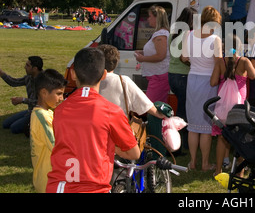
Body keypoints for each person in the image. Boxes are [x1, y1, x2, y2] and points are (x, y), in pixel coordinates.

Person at [46, 48, 140, 193]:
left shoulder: (59, 110)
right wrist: (110, 146)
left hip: (59, 187)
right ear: (103, 75)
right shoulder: (112, 111)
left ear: (73, 74)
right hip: (94, 188)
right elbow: (134, 153)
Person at [181, 6, 222, 171]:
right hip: (208, 81)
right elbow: (219, 63)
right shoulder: (215, 39)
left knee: (193, 125)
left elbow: (184, 57)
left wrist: (195, 61)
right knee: (206, 127)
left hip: (193, 79)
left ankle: (192, 162)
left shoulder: (188, 34)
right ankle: (205, 164)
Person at [210, 34, 255, 176]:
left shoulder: (220, 62)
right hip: (238, 106)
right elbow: (254, 76)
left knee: (221, 137)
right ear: (240, 47)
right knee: (241, 138)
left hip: (222, 106)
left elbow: (212, 82)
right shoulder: (243, 61)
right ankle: (239, 173)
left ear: (225, 47)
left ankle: (218, 171)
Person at [98, 44, 164, 119]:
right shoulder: (123, 81)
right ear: (116, 63)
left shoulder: (88, 80)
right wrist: (161, 115)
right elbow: (145, 105)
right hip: (118, 126)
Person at [30, 69, 66, 193]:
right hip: (48, 181)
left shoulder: (48, 112)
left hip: (50, 179)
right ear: (44, 93)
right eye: (59, 94)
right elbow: (57, 146)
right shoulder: (42, 117)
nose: (61, 98)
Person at [168, 7, 197, 152]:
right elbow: (185, 57)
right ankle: (180, 145)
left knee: (180, 108)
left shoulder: (174, 33)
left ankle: (178, 143)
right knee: (184, 111)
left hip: (172, 74)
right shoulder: (187, 34)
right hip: (183, 75)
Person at [135, 5, 171, 103]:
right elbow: (158, 51)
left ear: (157, 18)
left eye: (150, 16)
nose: (148, 19)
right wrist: (143, 52)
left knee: (152, 106)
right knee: (157, 105)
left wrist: (142, 58)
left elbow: (160, 55)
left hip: (159, 77)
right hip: (157, 76)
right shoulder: (159, 33)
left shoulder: (161, 35)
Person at [1, 56, 43, 135]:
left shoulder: (44, 82)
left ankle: (38, 124)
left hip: (40, 113)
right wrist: (2, 74)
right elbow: (14, 82)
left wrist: (22, 100)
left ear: (35, 68)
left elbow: (40, 102)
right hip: (30, 110)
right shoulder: (29, 78)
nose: (24, 67)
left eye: (27, 65)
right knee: (5, 124)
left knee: (14, 128)